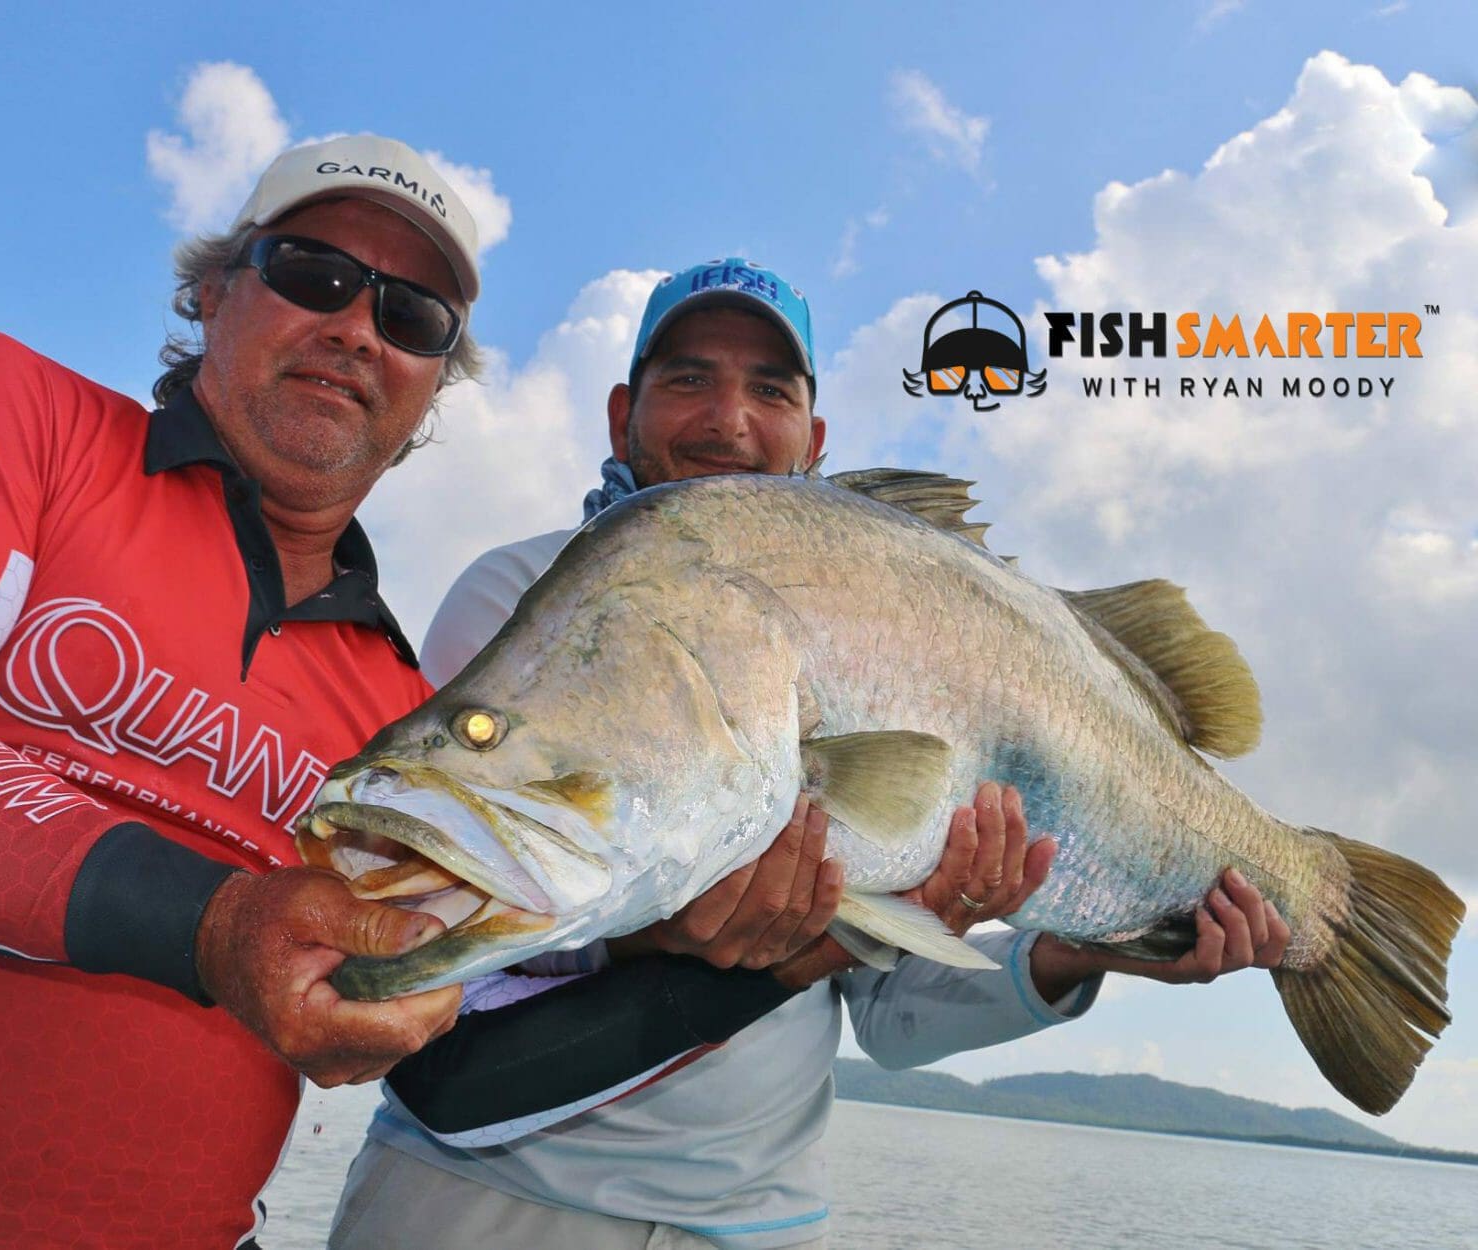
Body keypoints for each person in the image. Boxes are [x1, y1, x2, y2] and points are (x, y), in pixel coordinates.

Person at [0, 140, 826, 1250]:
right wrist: (213, 921)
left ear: (432, 385)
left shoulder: (392, 710)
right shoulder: (11, 410)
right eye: (313, 273)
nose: (359, 328)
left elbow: (456, 1053)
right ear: (210, 288)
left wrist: (781, 948)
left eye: (414, 315)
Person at [330, 258, 1293, 1250]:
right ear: (624, 409)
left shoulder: (878, 604)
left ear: (813, 436)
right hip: (477, 1204)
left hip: (759, 1223)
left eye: (770, 389)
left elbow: (891, 1014)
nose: (727, 419)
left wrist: (1080, 944)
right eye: (688, 377)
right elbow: (457, 928)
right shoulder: (522, 592)